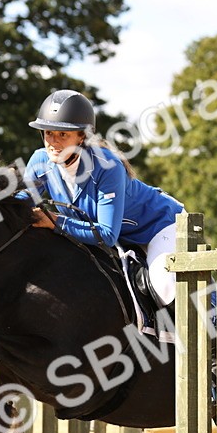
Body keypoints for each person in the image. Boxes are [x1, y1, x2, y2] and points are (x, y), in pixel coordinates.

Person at [22, 89, 186, 336]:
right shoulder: (39, 162)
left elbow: (107, 234)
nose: (53, 142)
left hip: (160, 224)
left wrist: (55, 222)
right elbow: (20, 205)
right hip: (123, 235)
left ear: (81, 137)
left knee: (162, 283)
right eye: (48, 133)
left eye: (62, 135)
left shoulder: (106, 166)